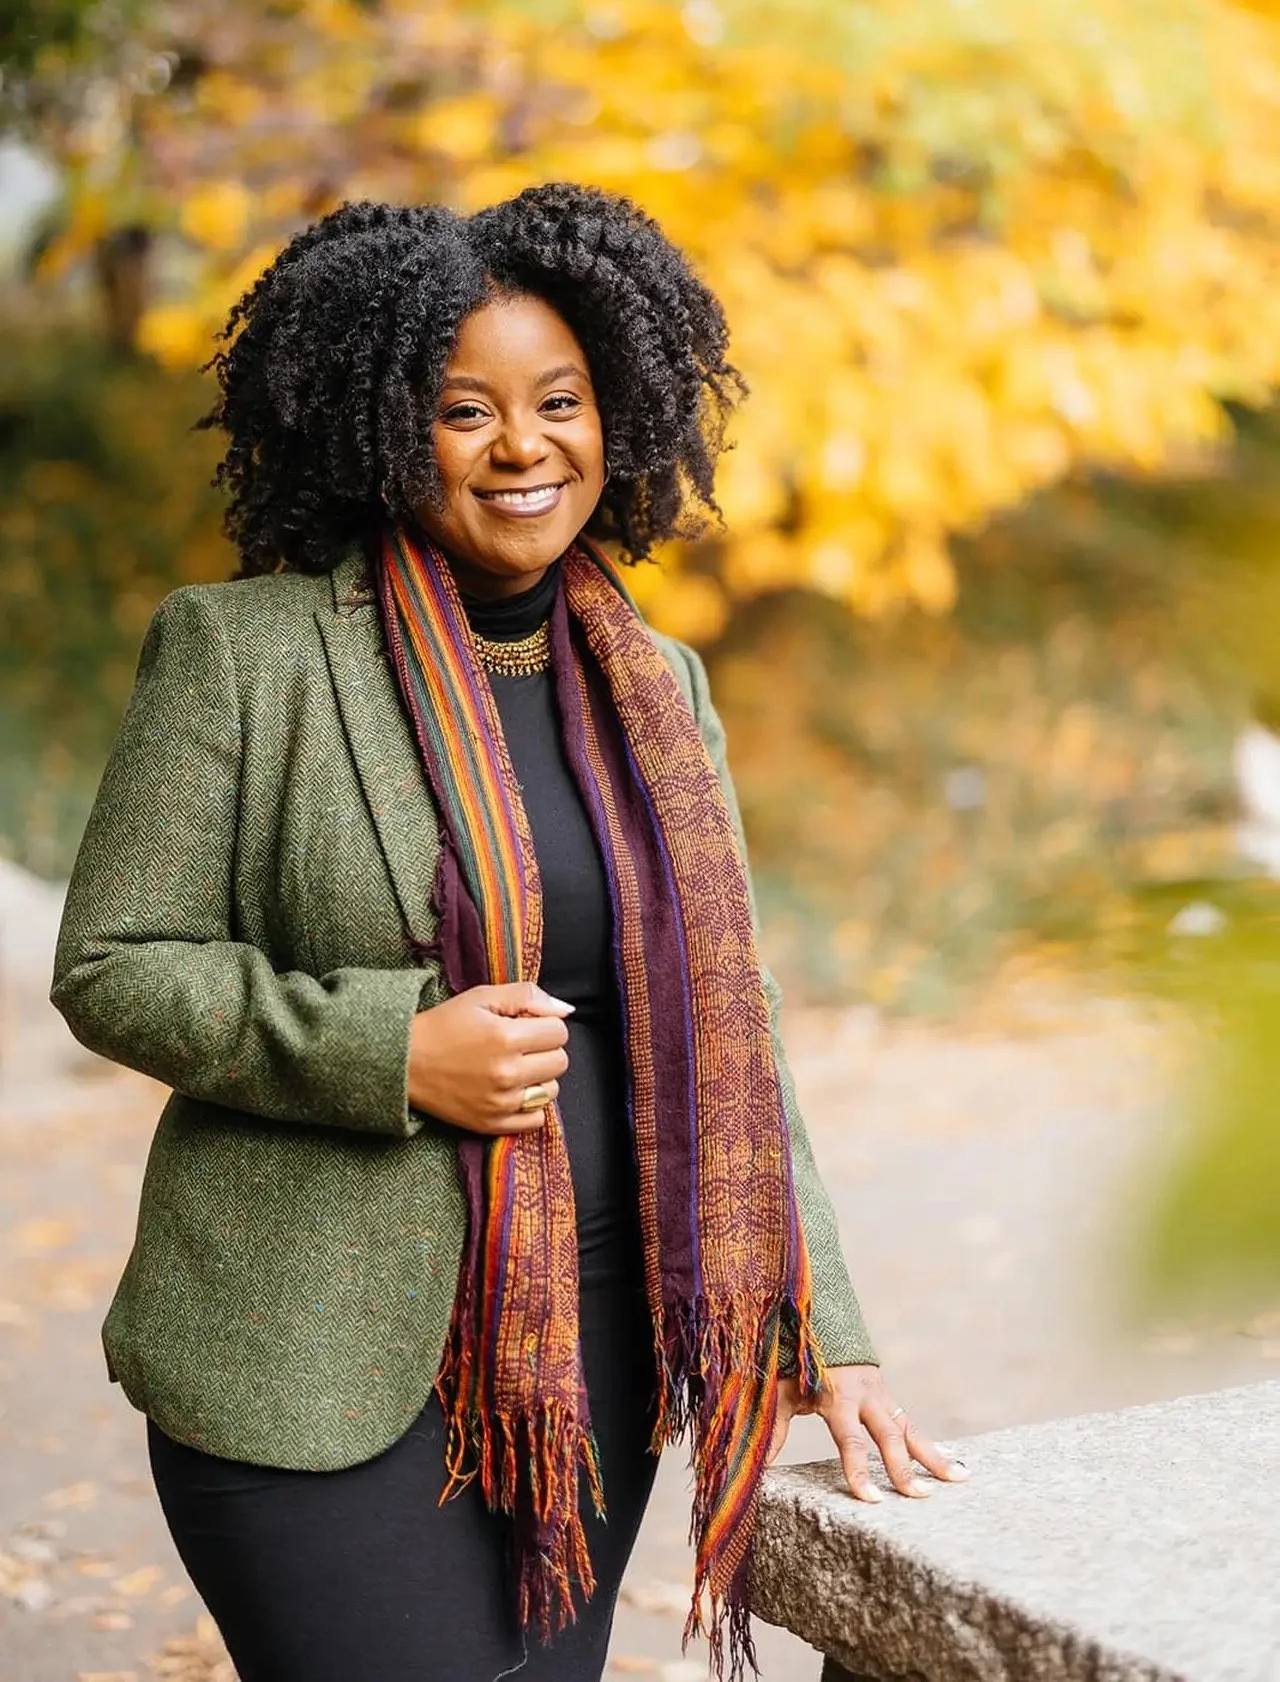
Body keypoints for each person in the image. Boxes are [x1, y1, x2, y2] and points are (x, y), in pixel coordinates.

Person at [52, 185, 965, 1682]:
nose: (523, 445)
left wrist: (829, 1330)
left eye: (561, 400)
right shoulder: (248, 654)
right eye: (462, 408)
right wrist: (391, 1049)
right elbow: (112, 962)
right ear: (376, 424)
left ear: (624, 413)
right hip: (305, 1358)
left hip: (586, 1358)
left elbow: (740, 1016)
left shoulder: (658, 683)